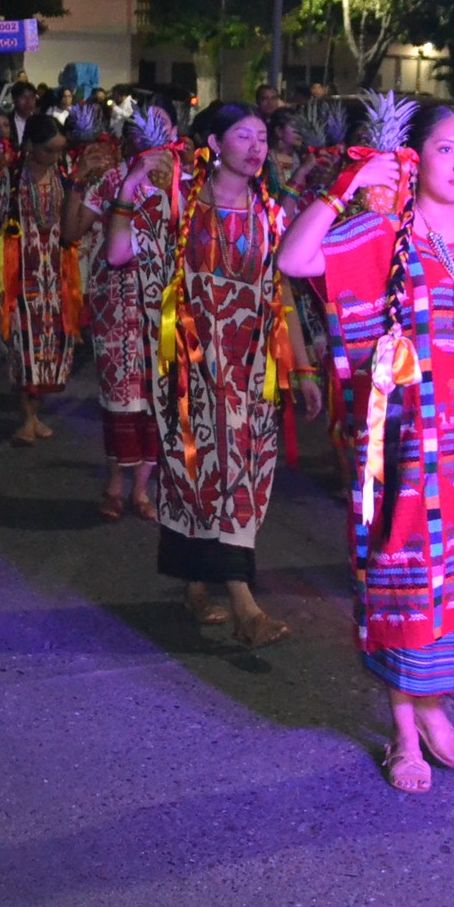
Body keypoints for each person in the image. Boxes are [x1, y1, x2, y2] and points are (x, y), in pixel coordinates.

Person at [280, 101, 454, 793]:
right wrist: (347, 186)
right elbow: (294, 258)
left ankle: (434, 704)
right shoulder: (384, 232)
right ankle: (404, 731)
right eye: (445, 149)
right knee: (407, 581)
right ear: (413, 157)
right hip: (415, 451)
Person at [111, 104, 321, 641]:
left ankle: (197, 582)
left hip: (252, 374)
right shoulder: (179, 206)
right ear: (214, 143)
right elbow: (116, 253)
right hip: (191, 372)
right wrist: (131, 187)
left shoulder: (270, 213)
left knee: (240, 477)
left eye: (262, 137)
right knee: (203, 473)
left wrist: (302, 368)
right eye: (243, 136)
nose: (256, 147)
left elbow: (283, 295)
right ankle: (245, 606)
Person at [65, 105, 166, 520]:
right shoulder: (111, 180)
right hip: (116, 302)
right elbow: (71, 232)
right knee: (121, 398)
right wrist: (77, 182)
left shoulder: (187, 184)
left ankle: (142, 490)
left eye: (162, 128)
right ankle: (114, 484)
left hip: (165, 308)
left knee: (157, 400)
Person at [1, 114, 79, 442]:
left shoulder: (63, 173)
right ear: (30, 145)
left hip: (56, 272)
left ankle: (35, 416)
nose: (55, 156)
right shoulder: (11, 175)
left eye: (59, 150)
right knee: (24, 346)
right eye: (49, 150)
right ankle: (26, 418)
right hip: (22, 272)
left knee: (50, 346)